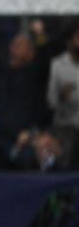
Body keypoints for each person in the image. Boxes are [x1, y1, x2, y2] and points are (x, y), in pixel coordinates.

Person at [46, 22, 79, 168]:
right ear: (69, 41)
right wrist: (62, 96)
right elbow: (51, 102)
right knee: (65, 163)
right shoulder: (57, 65)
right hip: (66, 128)